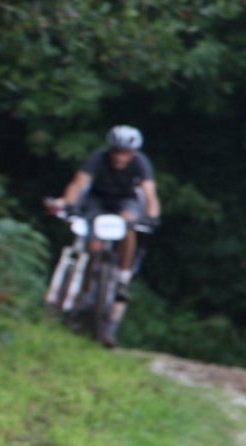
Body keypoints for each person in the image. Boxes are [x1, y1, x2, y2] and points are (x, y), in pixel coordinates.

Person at [46, 125, 161, 347]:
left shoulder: (141, 163)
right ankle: (90, 283)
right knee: (93, 245)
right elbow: (78, 183)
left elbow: (150, 194)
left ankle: (122, 274)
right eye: (116, 152)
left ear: (133, 153)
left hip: (125, 201)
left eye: (125, 153)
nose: (120, 157)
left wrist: (152, 216)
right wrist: (69, 204)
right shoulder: (98, 158)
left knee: (129, 225)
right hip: (98, 201)